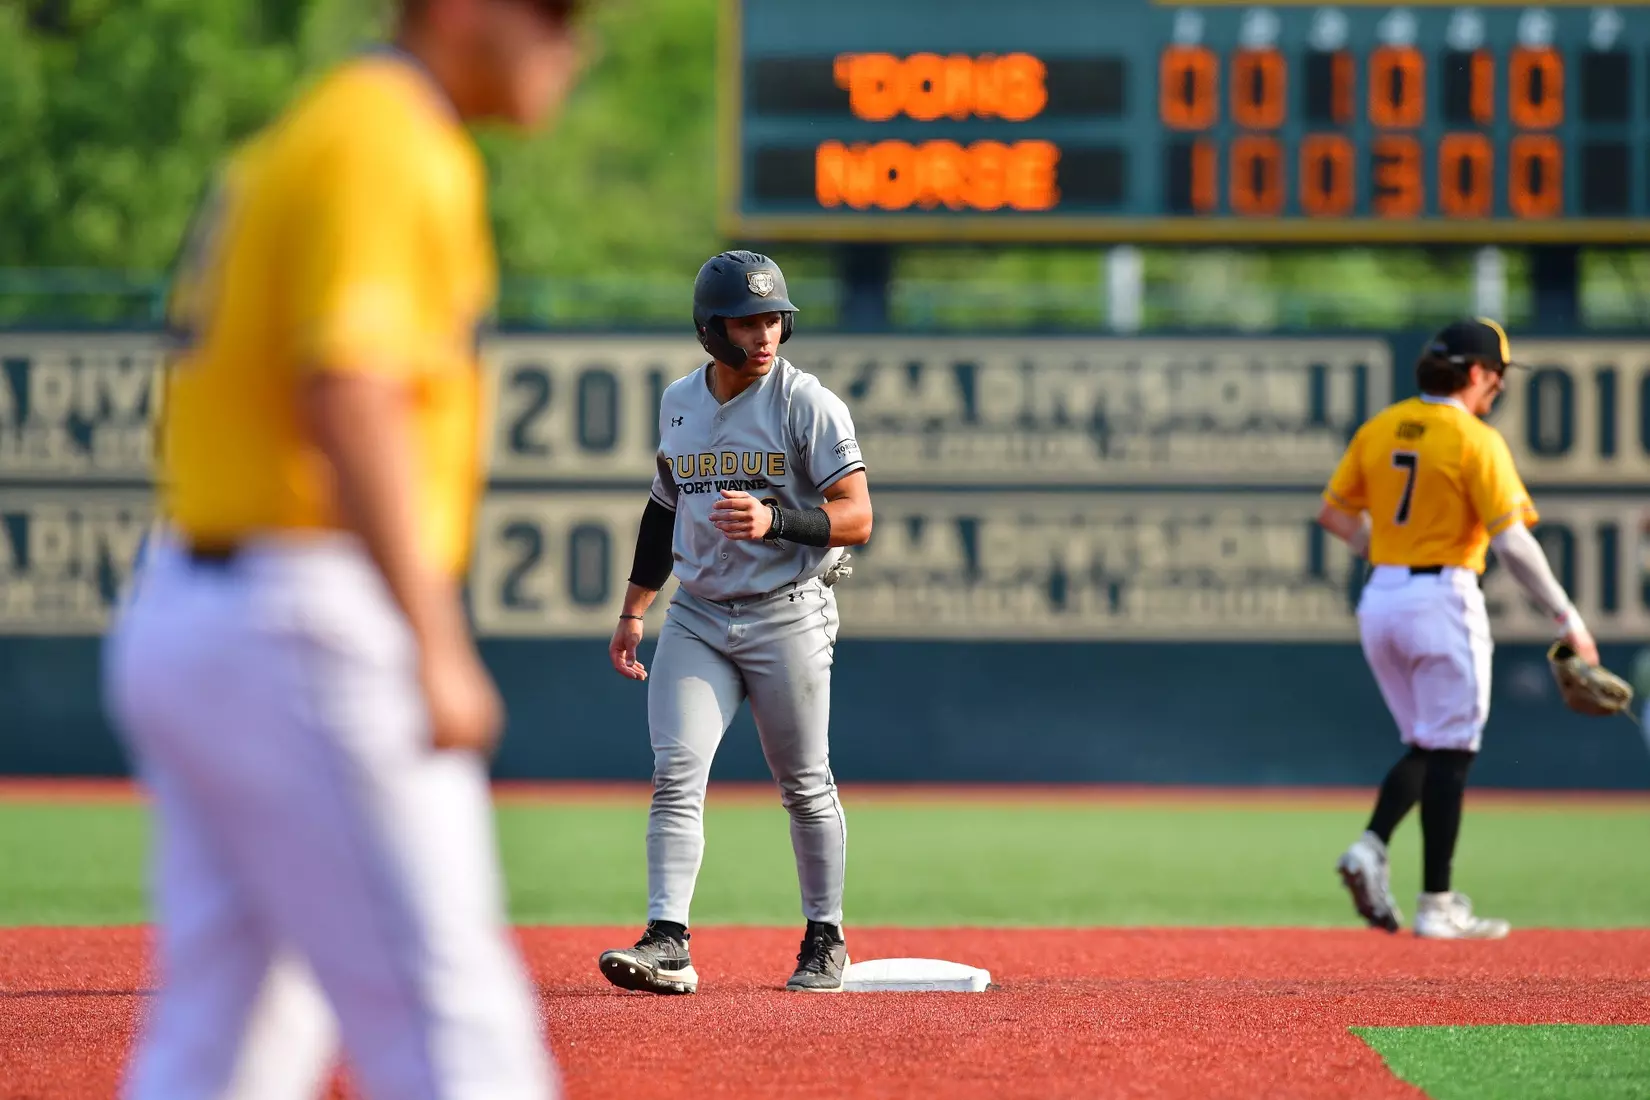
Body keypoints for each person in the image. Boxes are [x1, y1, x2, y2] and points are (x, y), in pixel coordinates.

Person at [104, 2, 588, 1096]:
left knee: (227, 1041)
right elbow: (351, 385)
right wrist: (435, 637)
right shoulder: (387, 137)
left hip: (208, 607)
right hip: (301, 615)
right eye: (557, 13)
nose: (577, 40)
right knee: (455, 1027)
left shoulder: (326, 123)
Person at [599, 251, 873, 994]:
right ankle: (668, 939)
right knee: (675, 772)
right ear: (708, 329)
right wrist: (634, 609)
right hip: (697, 615)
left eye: (772, 318)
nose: (764, 335)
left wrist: (777, 517)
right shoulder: (680, 401)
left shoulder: (805, 401)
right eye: (746, 321)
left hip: (787, 612)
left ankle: (825, 934)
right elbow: (664, 510)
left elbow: (858, 515)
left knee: (805, 784)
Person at [1318, 318, 1597, 940]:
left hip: (1382, 598)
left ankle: (1375, 848)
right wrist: (1567, 616)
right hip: (1443, 598)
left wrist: (1387, 550)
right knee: (1453, 749)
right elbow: (1515, 545)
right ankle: (1434, 903)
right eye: (1495, 376)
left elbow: (1333, 516)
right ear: (1475, 374)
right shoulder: (1475, 439)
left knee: (1429, 743)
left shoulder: (1381, 426)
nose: (1498, 388)